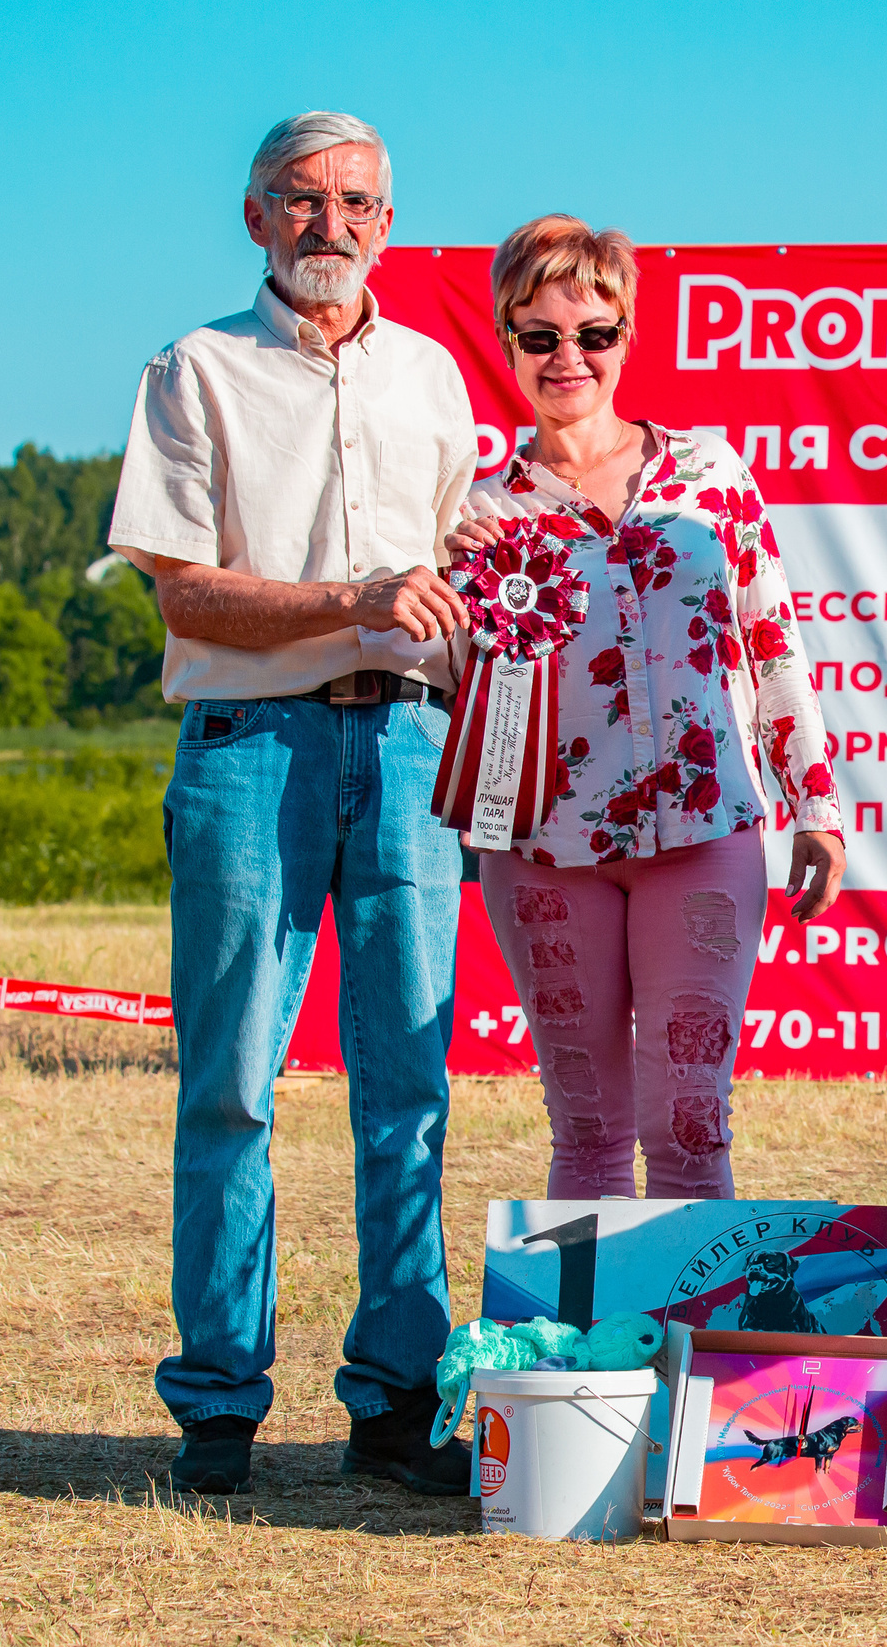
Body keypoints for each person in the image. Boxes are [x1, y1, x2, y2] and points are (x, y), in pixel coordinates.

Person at [108, 112, 479, 1497]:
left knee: (412, 1094)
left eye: (363, 203)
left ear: (392, 221)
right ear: (254, 216)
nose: (336, 226)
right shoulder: (194, 368)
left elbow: (458, 570)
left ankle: (397, 1403)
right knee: (231, 1091)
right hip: (248, 749)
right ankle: (217, 1402)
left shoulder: (437, 378)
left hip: (406, 750)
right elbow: (185, 590)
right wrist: (358, 601)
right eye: (306, 202)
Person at [447, 215, 844, 1200]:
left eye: (595, 333)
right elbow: (459, 678)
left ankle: (690, 1353)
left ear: (629, 337)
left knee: (690, 1129)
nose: (567, 357)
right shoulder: (477, 509)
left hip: (707, 834)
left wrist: (817, 807)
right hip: (542, 848)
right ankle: (593, 1356)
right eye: (539, 336)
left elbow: (772, 640)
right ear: (506, 343)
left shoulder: (710, 474)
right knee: (583, 1133)